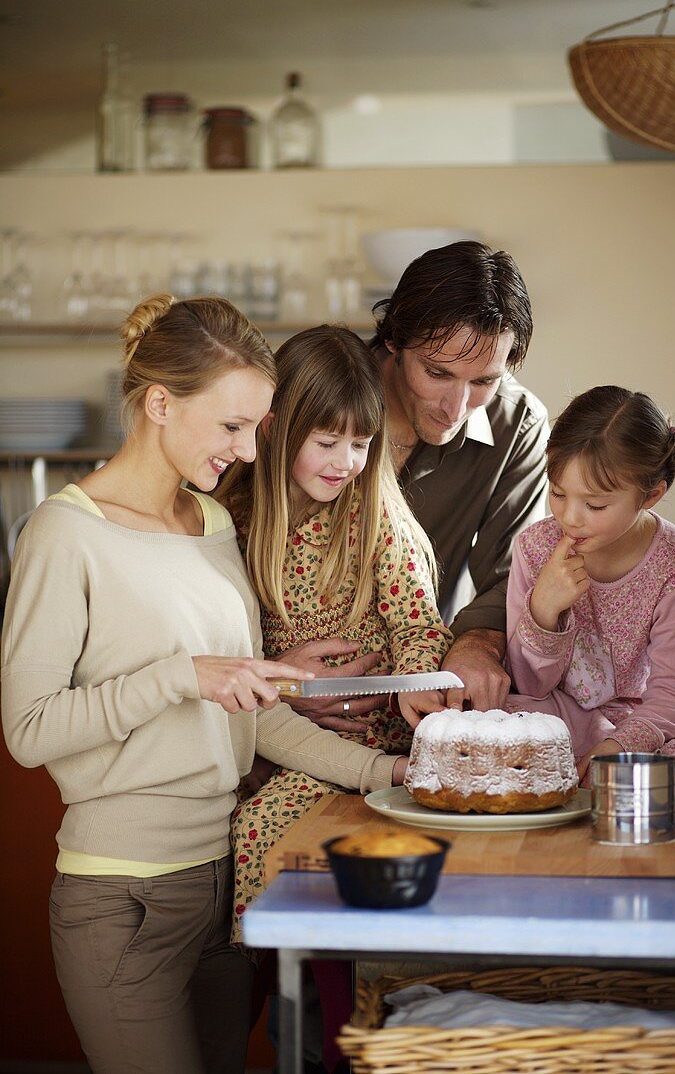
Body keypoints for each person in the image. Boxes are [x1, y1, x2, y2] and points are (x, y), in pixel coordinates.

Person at [0, 295, 407, 1074]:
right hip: (121, 899)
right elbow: (30, 730)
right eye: (231, 427)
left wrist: (389, 773)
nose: (252, 451)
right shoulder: (65, 533)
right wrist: (179, 678)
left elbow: (249, 716)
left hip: (222, 889)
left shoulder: (215, 528)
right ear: (159, 403)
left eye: (257, 428)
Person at [218, 325, 453, 935]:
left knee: (267, 831)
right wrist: (290, 688)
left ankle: (316, 989)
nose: (346, 463)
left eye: (361, 443)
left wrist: (416, 690)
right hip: (276, 749)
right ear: (275, 429)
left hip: (375, 753)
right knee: (251, 830)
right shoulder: (231, 524)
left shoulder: (375, 517)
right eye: (327, 442)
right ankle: (285, 993)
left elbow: (420, 629)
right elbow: (225, 659)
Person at [273, 241, 549, 734]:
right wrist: (273, 676)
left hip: (412, 702)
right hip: (276, 711)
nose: (455, 405)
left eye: (484, 380)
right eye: (437, 373)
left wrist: (476, 644)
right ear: (394, 340)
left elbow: (518, 574)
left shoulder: (518, 426)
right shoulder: (319, 387)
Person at [504, 384, 675, 793]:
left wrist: (619, 744)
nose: (570, 517)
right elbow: (528, 686)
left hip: (640, 723)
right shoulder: (535, 549)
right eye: (558, 494)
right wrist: (544, 608)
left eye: (595, 505)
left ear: (650, 495)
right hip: (552, 715)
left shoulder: (672, 566)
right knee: (492, 718)